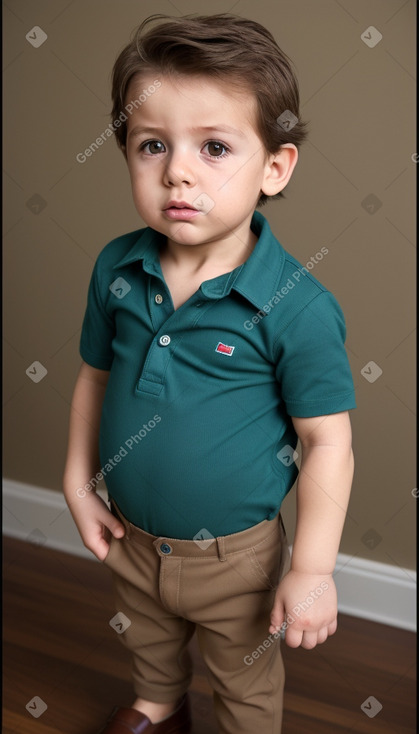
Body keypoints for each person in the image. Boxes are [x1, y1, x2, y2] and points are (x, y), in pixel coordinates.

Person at [63, 14, 356, 734]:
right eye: (151, 145)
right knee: (148, 637)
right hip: (132, 535)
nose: (178, 172)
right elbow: (93, 377)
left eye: (215, 147)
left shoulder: (296, 306)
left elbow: (328, 444)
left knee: (243, 674)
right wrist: (77, 482)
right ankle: (161, 706)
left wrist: (313, 568)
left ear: (274, 167)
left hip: (238, 560)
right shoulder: (117, 267)